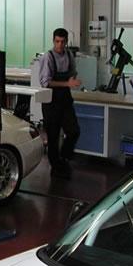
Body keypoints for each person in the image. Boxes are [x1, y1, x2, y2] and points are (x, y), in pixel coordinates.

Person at [39, 28, 82, 179]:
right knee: (53, 136)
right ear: (53, 41)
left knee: (74, 131)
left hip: (65, 101)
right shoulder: (48, 57)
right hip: (51, 102)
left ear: (66, 42)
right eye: (57, 41)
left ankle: (64, 158)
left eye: (63, 42)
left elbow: (73, 72)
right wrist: (67, 84)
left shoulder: (69, 55)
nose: (60, 45)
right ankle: (56, 166)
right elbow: (45, 82)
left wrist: (72, 79)